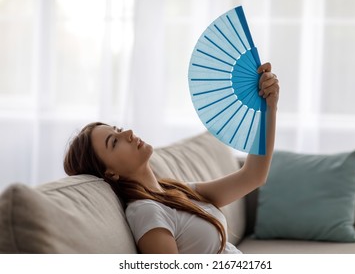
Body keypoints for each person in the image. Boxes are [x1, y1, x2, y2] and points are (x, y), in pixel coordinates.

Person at [63, 62, 279, 254]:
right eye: (114, 141)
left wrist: (268, 106)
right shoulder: (146, 212)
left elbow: (253, 176)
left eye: (118, 129)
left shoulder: (174, 192)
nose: (127, 133)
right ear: (110, 173)